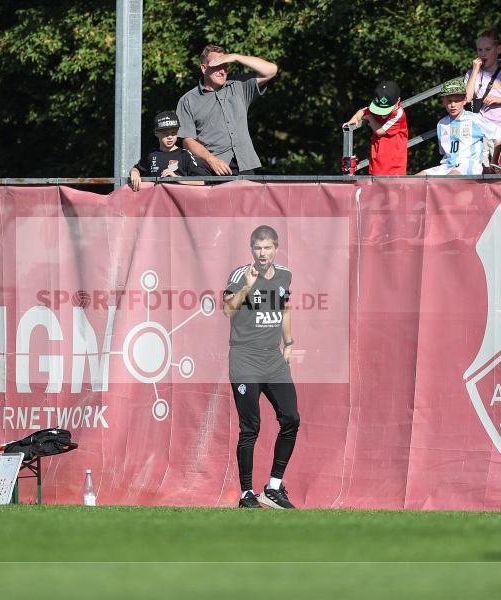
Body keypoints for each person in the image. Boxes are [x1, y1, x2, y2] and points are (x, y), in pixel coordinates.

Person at [223, 225, 299, 509]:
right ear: (251, 250)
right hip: (245, 358)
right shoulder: (240, 275)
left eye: (267, 247)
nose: (262, 253)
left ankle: (274, 488)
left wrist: (288, 343)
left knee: (291, 418)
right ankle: (246, 494)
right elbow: (228, 310)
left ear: (275, 248)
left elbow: (285, 308)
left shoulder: (285, 275)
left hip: (273, 358)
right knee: (250, 427)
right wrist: (247, 286)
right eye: (258, 248)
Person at [176, 44, 278, 176]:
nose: (222, 71)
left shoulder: (239, 86)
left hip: (245, 164)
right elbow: (187, 140)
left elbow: (271, 70)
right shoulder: (188, 100)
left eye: (225, 66)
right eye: (217, 66)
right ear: (203, 68)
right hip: (214, 169)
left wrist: (236, 57)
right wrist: (211, 160)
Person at [419, 78, 498, 175]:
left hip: (469, 166)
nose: (453, 105)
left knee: (451, 177)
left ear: (465, 100)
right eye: (449, 101)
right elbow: (444, 152)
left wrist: (493, 162)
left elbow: (499, 137)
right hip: (447, 166)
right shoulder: (441, 123)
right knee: (417, 178)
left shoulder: (475, 119)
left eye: (457, 101)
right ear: (443, 101)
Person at [464, 29, 501, 150]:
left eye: (487, 49)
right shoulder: (471, 74)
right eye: (479, 50)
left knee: (499, 168)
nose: (483, 54)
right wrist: (475, 71)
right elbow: (466, 99)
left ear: (498, 50)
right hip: (479, 135)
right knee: (482, 168)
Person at [128, 111, 209, 191]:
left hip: (179, 202)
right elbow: (136, 169)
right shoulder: (151, 154)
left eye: (173, 133)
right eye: (165, 133)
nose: (170, 137)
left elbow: (201, 181)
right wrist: (134, 173)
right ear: (156, 133)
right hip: (157, 201)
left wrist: (176, 178)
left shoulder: (185, 154)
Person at [342, 80, 409, 175]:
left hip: (394, 165)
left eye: (386, 109)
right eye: (380, 109)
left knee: (393, 189)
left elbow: (380, 131)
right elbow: (363, 110)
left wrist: (370, 117)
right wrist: (355, 118)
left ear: (398, 101)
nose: (382, 112)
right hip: (377, 161)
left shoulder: (398, 114)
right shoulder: (376, 108)